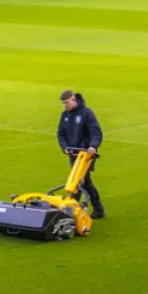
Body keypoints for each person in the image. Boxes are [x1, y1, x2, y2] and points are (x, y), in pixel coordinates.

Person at [56, 89, 105, 219]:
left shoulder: (86, 113)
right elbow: (60, 134)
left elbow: (96, 132)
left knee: (78, 181)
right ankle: (98, 210)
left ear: (74, 99)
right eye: (63, 103)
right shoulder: (65, 116)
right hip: (73, 154)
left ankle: (71, 212)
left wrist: (93, 146)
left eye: (66, 103)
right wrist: (65, 148)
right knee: (85, 182)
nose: (65, 106)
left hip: (85, 155)